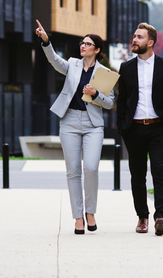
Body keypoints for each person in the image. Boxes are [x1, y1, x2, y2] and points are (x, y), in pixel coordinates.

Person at [36, 19, 115, 235]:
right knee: (73, 172)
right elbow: (54, 60)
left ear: (97, 50)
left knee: (90, 167)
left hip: (93, 125)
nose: (83, 45)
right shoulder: (72, 64)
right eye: (82, 42)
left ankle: (91, 212)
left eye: (88, 44)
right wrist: (45, 41)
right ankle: (78, 217)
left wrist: (96, 94)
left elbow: (110, 103)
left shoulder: (105, 73)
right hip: (69, 121)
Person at [117, 22, 163, 236]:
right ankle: (142, 217)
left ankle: (160, 216)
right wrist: (122, 127)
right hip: (134, 129)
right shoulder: (126, 68)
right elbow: (123, 99)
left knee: (159, 171)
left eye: (139, 37)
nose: (134, 40)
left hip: (159, 128)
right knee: (137, 175)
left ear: (150, 42)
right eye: (134, 36)